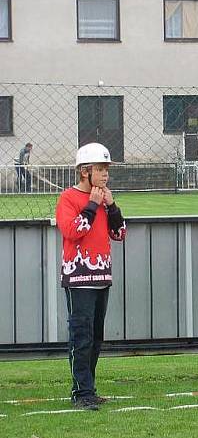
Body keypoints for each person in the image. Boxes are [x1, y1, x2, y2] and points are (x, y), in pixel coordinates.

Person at [55, 143, 126, 410]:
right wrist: (93, 205)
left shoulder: (105, 201)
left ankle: (89, 389)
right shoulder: (68, 199)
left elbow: (119, 234)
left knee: (96, 337)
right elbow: (73, 231)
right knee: (81, 337)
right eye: (100, 169)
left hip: (102, 277)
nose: (106, 175)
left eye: (106, 169)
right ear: (85, 171)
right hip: (78, 279)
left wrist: (112, 206)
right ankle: (81, 392)